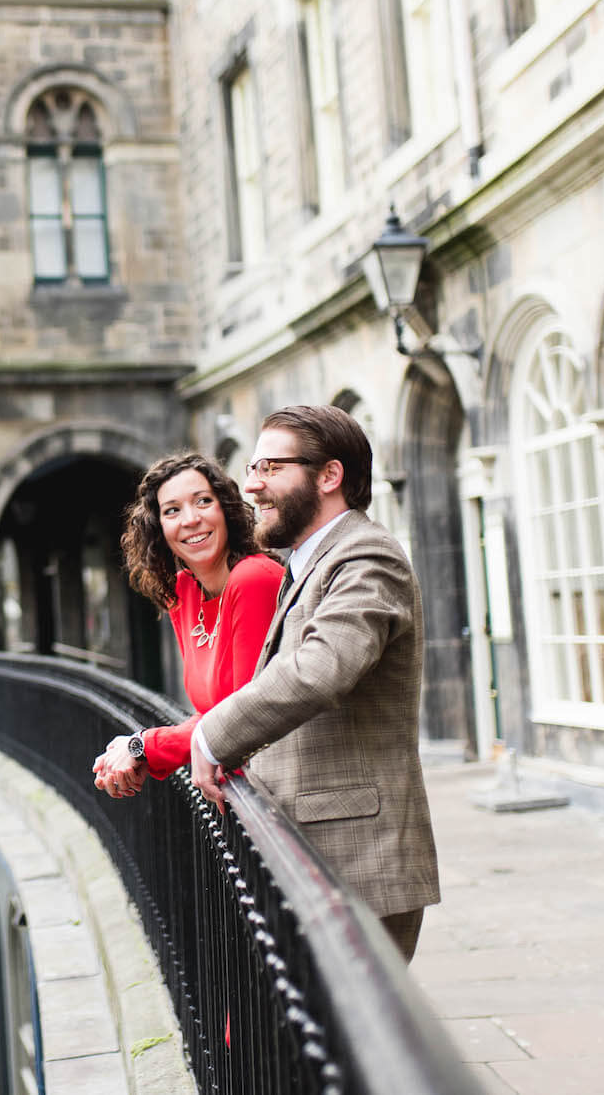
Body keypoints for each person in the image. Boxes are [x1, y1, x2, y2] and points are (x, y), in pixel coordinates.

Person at [189, 405, 440, 960]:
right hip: (315, 853)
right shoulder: (309, 561)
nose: (251, 486)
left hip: (358, 861)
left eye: (271, 468)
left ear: (329, 476)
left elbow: (322, 669)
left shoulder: (366, 555)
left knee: (360, 1044)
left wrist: (212, 736)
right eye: (252, 469)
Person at [92, 453, 283, 799]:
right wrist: (141, 754)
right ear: (159, 529)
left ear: (225, 508)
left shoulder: (254, 579)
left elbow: (242, 715)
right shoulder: (183, 592)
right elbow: (210, 713)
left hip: (278, 790)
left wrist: (143, 746)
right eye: (172, 510)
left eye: (203, 502)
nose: (191, 519)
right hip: (238, 792)